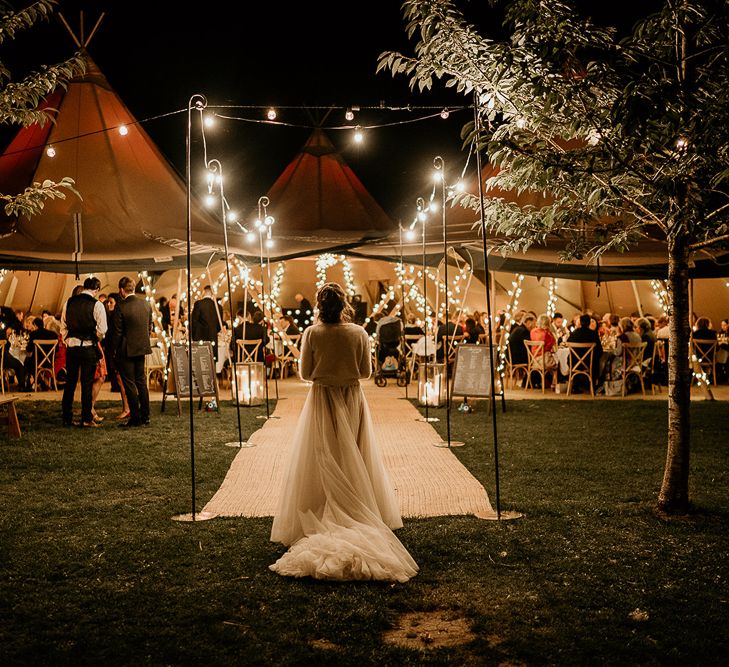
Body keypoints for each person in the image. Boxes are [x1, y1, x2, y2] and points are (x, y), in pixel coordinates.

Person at [270, 282, 418, 582]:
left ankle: (322, 504)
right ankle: (359, 503)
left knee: (322, 453)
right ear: (344, 305)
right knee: (354, 451)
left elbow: (305, 374)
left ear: (319, 306)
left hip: (323, 398)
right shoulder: (359, 333)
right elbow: (365, 372)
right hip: (351, 398)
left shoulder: (312, 333)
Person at [61, 276, 107, 427]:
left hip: (72, 348)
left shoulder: (69, 302)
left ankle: (67, 417)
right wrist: (95, 338)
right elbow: (102, 330)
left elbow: (63, 325)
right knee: (86, 383)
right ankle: (86, 418)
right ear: (96, 289)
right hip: (88, 347)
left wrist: (68, 340)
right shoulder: (97, 305)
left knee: (70, 383)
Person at [111, 276, 152, 428]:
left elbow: (117, 333)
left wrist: (113, 352)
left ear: (121, 290)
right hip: (141, 348)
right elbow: (149, 327)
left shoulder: (120, 306)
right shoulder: (146, 304)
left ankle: (135, 418)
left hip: (126, 350)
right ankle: (145, 416)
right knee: (141, 382)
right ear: (133, 288)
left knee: (130, 384)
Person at [103, 292, 130, 420]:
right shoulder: (112, 316)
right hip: (114, 352)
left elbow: (115, 337)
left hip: (118, 352)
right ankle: (126, 408)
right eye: (108, 302)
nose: (108, 304)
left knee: (122, 382)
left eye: (111, 302)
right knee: (120, 382)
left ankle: (127, 408)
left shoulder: (116, 318)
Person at [566, 313, 603, 390]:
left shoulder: (574, 334)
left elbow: (568, 344)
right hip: (589, 363)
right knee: (597, 359)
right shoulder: (593, 334)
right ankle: (592, 385)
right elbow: (600, 350)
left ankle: (575, 384)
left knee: (569, 357)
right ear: (589, 323)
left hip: (575, 363)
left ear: (580, 322)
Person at [23, 316, 59, 390]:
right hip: (50, 362)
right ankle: (41, 382)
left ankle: (39, 382)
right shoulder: (53, 334)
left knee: (27, 361)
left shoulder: (33, 334)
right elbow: (57, 349)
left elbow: (29, 349)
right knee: (30, 362)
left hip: (37, 361)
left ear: (35, 325)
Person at [190, 285, 223, 361]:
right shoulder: (218, 307)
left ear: (204, 292)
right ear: (212, 293)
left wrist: (194, 337)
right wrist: (213, 331)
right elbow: (219, 325)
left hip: (200, 338)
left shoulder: (198, 304)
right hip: (213, 338)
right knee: (211, 363)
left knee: (201, 363)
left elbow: (194, 322)